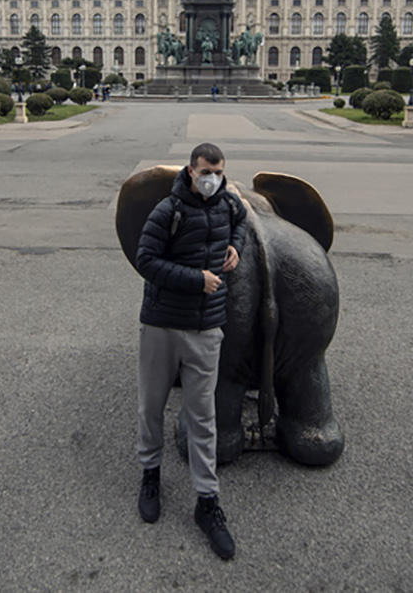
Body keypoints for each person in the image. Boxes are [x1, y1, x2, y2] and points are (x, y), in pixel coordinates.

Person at [133, 143, 247, 560]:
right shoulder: (168, 211)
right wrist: (194, 280)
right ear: (190, 169)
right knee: (152, 406)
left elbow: (242, 226)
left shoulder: (229, 206)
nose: (211, 178)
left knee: (203, 416)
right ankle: (150, 474)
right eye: (205, 171)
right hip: (163, 324)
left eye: (218, 171)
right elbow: (145, 260)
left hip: (206, 329)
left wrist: (237, 245)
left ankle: (207, 500)